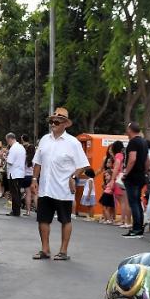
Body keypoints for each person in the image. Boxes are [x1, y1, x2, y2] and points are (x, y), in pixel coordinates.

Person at [31, 107, 90, 261]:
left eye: (57, 121)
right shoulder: (44, 139)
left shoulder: (73, 143)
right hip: (45, 188)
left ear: (65, 124)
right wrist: (34, 180)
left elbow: (83, 164)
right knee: (42, 220)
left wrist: (73, 176)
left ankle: (63, 251)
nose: (53, 123)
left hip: (63, 188)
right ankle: (45, 249)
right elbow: (37, 162)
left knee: (65, 219)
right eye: (52, 121)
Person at [122, 121, 149, 236]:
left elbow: (132, 159)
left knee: (133, 202)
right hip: (141, 176)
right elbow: (147, 160)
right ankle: (139, 227)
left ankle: (136, 228)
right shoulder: (144, 142)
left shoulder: (133, 142)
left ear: (130, 130)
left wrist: (125, 173)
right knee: (137, 202)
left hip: (132, 177)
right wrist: (145, 172)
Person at [4, 132, 26, 216]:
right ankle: (17, 210)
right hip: (20, 173)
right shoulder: (21, 147)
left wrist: (5, 157)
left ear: (10, 139)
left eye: (7, 141)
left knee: (14, 193)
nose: (7, 143)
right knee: (18, 193)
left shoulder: (13, 148)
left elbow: (10, 161)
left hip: (14, 173)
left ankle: (15, 211)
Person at [99, 153, 118, 226]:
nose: (107, 163)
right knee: (107, 207)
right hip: (107, 193)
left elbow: (112, 187)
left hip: (108, 194)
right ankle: (108, 218)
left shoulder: (112, 173)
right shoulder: (108, 175)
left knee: (107, 207)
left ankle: (109, 219)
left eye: (109, 162)